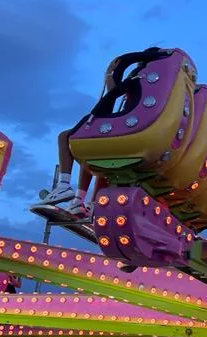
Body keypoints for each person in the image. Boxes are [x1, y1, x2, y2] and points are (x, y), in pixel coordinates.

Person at [36, 50, 157, 216]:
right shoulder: (156, 84)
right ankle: (87, 203)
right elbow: (116, 91)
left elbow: (114, 93)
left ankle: (64, 186)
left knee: (67, 137)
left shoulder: (139, 76)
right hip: (135, 131)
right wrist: (110, 75)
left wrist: (111, 71)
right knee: (96, 155)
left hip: (124, 127)